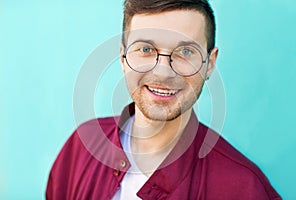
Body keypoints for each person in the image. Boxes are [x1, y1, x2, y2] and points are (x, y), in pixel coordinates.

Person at [46, 0, 281, 199]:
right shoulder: (80, 148)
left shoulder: (243, 188)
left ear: (210, 63)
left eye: (186, 52)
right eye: (146, 49)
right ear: (123, 57)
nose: (163, 73)